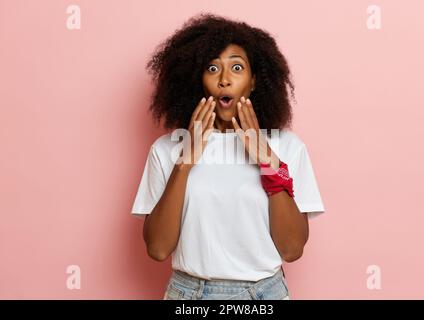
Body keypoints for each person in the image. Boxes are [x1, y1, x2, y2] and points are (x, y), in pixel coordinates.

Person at [131, 13, 325, 300]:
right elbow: (158, 249)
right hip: (189, 295)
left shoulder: (286, 147)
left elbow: (292, 249)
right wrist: (184, 163)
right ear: (197, 79)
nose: (224, 80)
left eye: (237, 67)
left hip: (264, 295)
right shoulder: (167, 149)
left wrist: (269, 162)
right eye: (212, 68)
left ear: (254, 81)